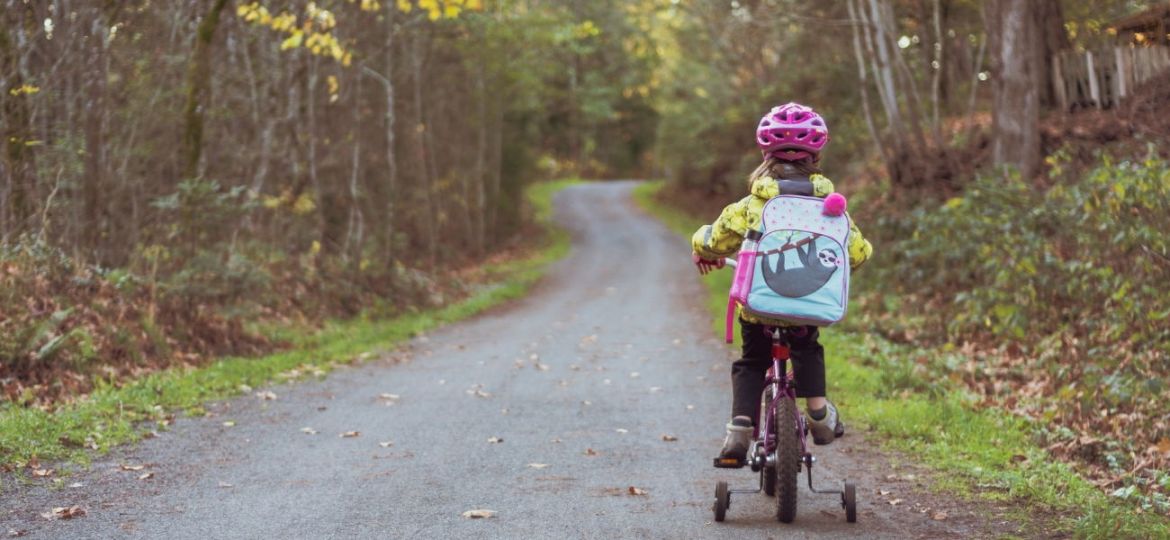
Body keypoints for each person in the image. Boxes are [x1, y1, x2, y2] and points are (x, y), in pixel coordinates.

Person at [690, 102, 873, 463]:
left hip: (759, 309)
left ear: (765, 153)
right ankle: (819, 413)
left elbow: (716, 238)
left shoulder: (752, 205)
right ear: (816, 156)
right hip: (807, 310)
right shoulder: (831, 207)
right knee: (807, 349)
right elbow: (858, 253)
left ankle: (740, 430)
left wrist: (701, 246)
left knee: (751, 361)